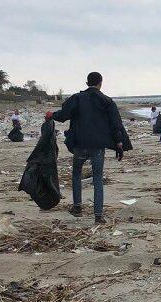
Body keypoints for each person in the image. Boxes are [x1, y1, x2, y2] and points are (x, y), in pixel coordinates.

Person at [48, 71, 131, 225]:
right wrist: (120, 144)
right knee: (98, 179)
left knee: (76, 175)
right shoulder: (107, 101)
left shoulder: (77, 99)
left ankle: (77, 207)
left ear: (87, 83)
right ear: (101, 83)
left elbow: (63, 114)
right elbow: (116, 125)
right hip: (98, 146)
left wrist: (51, 115)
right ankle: (98, 216)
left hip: (79, 144)